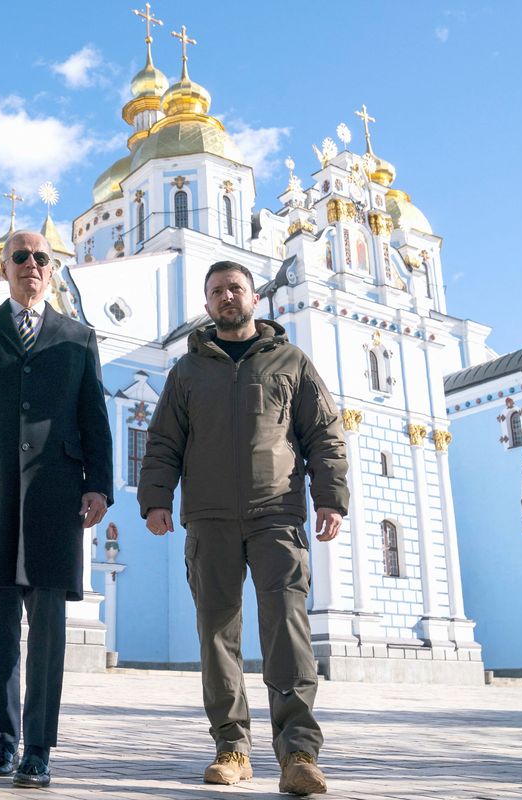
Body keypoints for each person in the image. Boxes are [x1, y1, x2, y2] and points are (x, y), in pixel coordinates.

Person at [138, 260, 349, 796]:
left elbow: (324, 434)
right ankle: (231, 747)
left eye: (236, 288)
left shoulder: (291, 361)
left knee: (288, 630)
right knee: (217, 634)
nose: (227, 297)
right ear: (207, 305)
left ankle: (299, 753)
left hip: (276, 513)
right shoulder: (187, 371)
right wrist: (156, 500)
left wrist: (331, 498)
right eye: (216, 292)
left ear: (254, 298)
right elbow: (163, 440)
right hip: (208, 518)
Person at [0, 230, 112, 789]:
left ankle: (38, 748)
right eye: (21, 257)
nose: (32, 265)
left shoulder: (78, 338)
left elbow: (94, 417)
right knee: (1, 625)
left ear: (51, 271)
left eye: (42, 259)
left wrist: (99, 485)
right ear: (3, 266)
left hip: (56, 495)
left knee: (49, 630)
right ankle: (5, 742)